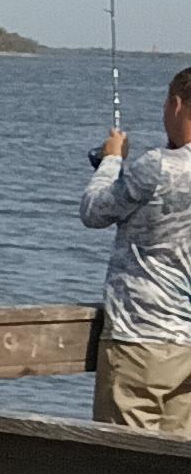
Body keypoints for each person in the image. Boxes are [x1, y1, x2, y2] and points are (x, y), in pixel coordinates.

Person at [81, 69, 191, 437]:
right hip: (186, 349)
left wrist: (112, 159)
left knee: (122, 464)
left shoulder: (158, 165)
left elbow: (95, 211)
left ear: (176, 104)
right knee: (173, 472)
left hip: (140, 338)